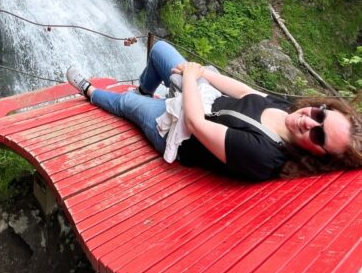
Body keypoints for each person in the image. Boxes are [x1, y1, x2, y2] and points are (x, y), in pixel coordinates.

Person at [66, 40, 362, 181]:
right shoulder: (289, 111)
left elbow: (195, 123)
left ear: (318, 156)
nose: (310, 121)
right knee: (160, 52)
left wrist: (192, 78)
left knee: (126, 104)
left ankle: (89, 92)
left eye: (319, 135)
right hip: (205, 96)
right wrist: (203, 75)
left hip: (179, 131)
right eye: (321, 114)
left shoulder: (264, 154)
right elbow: (246, 92)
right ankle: (145, 89)